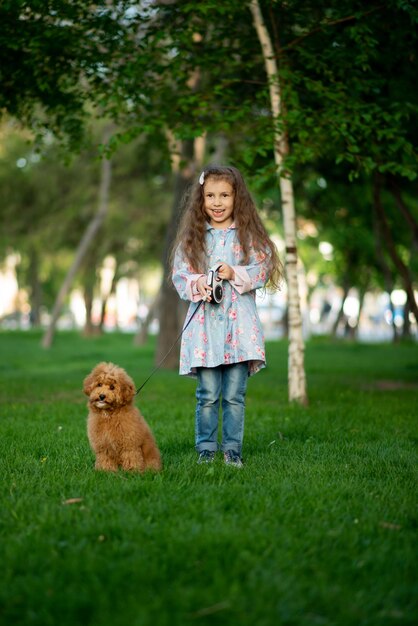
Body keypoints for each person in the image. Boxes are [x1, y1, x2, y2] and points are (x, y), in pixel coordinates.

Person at [171, 165, 282, 467]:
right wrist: (199, 283)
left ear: (237, 198)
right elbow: (180, 275)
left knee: (234, 395)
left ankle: (232, 450)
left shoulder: (247, 236)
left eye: (224, 195)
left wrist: (236, 273)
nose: (217, 203)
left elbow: (264, 267)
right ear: (201, 199)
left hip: (239, 331)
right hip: (204, 331)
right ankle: (206, 450)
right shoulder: (194, 238)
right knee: (207, 395)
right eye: (210, 196)